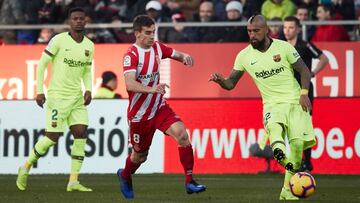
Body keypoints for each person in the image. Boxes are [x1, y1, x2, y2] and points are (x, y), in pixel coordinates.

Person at [209, 15, 316, 200]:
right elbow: (231, 83)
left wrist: (304, 93)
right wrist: (221, 81)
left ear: (266, 30)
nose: (252, 35)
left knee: (298, 146)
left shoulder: (284, 47)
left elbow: (304, 70)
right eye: (249, 31)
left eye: (256, 31)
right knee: (276, 134)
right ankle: (279, 153)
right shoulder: (244, 56)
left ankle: (287, 190)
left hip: (295, 102)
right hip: (272, 105)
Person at [117, 15, 206, 199]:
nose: (152, 36)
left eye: (153, 32)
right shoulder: (131, 55)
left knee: (182, 135)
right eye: (148, 33)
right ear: (137, 34)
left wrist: (184, 57)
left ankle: (190, 181)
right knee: (139, 157)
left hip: (158, 108)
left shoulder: (157, 47)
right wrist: (152, 89)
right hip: (139, 116)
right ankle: (125, 175)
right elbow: (129, 84)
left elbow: (175, 53)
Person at [16, 7, 94, 192]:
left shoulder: (89, 45)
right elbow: (42, 65)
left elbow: (87, 70)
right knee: (52, 137)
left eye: (81, 19)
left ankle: (73, 181)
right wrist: (39, 90)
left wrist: (88, 89)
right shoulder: (58, 40)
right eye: (75, 18)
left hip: (76, 98)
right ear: (69, 21)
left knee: (81, 133)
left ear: (86, 21)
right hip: (57, 97)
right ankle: (26, 166)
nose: (78, 21)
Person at [283, 16, 328, 172]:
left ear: (297, 29)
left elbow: (324, 58)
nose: (287, 30)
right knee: (291, 126)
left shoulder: (305, 45)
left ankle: (306, 161)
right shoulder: (280, 46)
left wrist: (313, 72)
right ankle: (297, 159)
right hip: (288, 91)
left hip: (304, 90)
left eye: (290, 27)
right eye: (285, 27)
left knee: (304, 126)